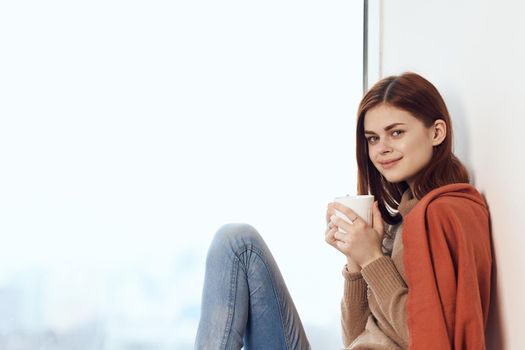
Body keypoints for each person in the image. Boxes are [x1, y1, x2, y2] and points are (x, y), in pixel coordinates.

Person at [194, 72, 492, 350]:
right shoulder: (402, 220)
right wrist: (355, 262)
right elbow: (355, 337)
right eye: (373, 138)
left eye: (396, 132)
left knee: (237, 243)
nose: (381, 149)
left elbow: (428, 339)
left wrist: (373, 259)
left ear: (437, 132)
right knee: (235, 241)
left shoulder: (442, 213)